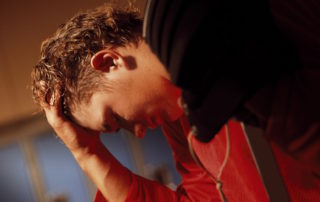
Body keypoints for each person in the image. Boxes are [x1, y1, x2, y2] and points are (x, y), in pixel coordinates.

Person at [31, 3, 320, 202]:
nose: (140, 133)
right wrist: (86, 153)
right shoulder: (180, 123)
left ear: (109, 62)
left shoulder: (225, 18)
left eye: (116, 119)